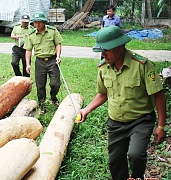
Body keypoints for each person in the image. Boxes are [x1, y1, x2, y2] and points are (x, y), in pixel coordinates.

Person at [77, 26, 166, 180]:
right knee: (115, 161)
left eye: (106, 50)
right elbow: (103, 94)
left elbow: (158, 95)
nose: (102, 54)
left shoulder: (142, 65)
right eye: (101, 50)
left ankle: (138, 177)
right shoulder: (103, 68)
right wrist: (86, 110)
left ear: (120, 46)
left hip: (141, 120)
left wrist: (160, 126)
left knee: (135, 154)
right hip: (116, 123)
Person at [24, 12, 63, 106]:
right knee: (40, 85)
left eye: (39, 22)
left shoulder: (52, 31)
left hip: (53, 60)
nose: (37, 24)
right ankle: (42, 102)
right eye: (35, 22)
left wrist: (58, 56)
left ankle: (53, 97)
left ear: (44, 22)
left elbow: (58, 44)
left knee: (55, 83)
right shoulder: (31, 34)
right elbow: (28, 50)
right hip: (40, 62)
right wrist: (28, 64)